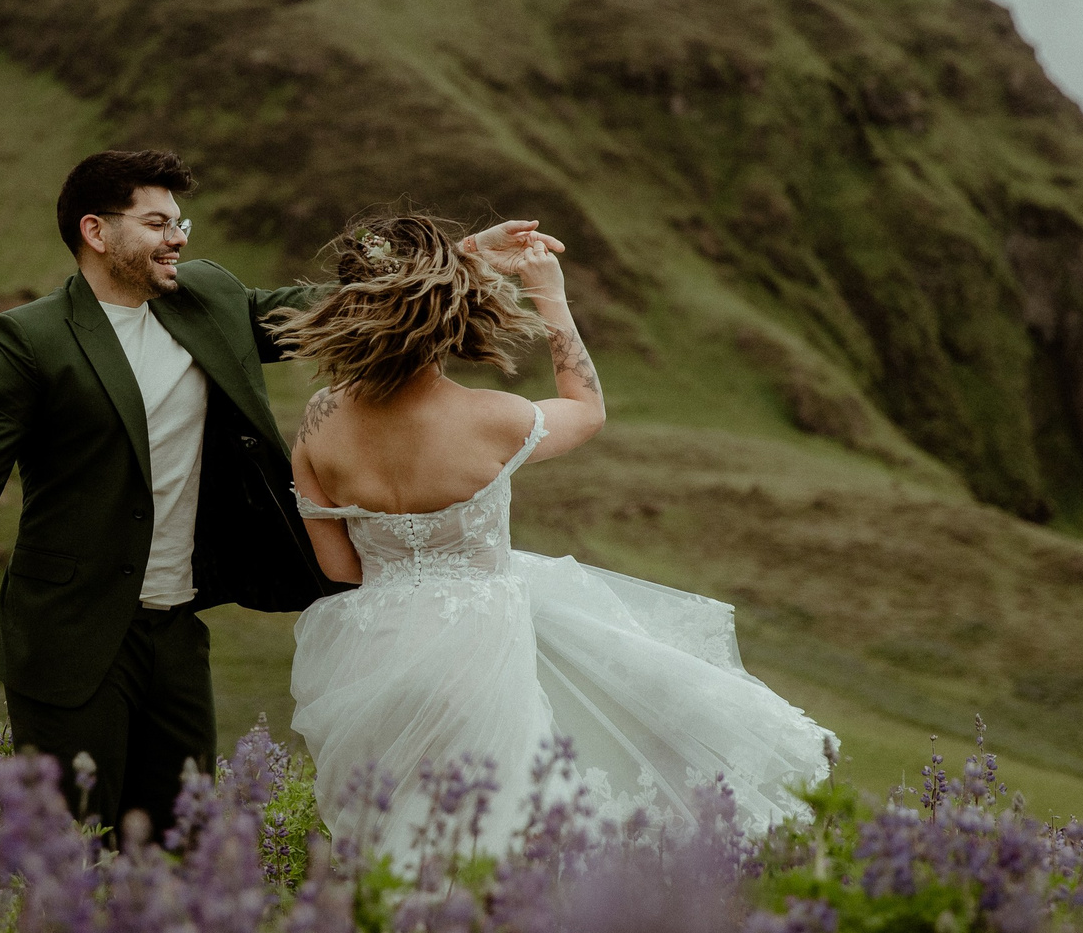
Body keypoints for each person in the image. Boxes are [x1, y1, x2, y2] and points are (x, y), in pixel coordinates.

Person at [0, 151, 552, 839]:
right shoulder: (28, 339)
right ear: (97, 232)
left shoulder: (205, 297)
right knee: (69, 846)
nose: (178, 236)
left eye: (180, 221)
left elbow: (328, 306)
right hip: (69, 636)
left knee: (184, 844)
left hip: (177, 629)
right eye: (157, 222)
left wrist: (460, 255)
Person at [278, 214, 834, 862]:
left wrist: (460, 259)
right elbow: (588, 407)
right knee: (504, 824)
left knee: (404, 832)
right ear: (449, 314)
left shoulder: (317, 427)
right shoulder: (493, 419)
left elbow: (341, 567)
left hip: (376, 651)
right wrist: (551, 294)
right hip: (485, 642)